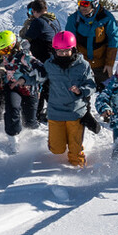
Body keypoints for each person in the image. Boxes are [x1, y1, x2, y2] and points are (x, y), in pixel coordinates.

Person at [44, 30, 96, 167]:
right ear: (54, 51)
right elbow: (37, 77)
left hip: (76, 112)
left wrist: (81, 91)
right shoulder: (49, 65)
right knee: (57, 149)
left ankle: (77, 171)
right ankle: (54, 142)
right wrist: (23, 79)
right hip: (55, 112)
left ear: (73, 49)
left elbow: (91, 84)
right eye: (59, 51)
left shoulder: (83, 65)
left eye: (66, 51)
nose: (62, 54)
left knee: (75, 149)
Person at [0, 30, 46, 153]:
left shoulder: (24, 57)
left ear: (13, 45)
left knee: (29, 122)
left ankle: (34, 139)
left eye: (5, 50)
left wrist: (25, 80)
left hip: (29, 90)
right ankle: (13, 138)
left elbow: (42, 71)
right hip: (12, 88)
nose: (3, 54)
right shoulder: (4, 57)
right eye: (0, 51)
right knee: (12, 109)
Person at [65, 0, 118, 87]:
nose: (82, 7)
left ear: (94, 3)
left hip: (102, 66)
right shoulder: (74, 19)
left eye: (85, 4)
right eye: (80, 3)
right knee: (80, 95)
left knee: (107, 95)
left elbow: (113, 40)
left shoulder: (107, 18)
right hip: (81, 65)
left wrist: (109, 63)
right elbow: (69, 42)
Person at [20, 0, 59, 120]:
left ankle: (37, 112)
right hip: (53, 56)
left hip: (41, 56)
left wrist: (29, 22)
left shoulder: (38, 22)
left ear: (35, 11)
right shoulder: (54, 19)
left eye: (31, 11)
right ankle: (54, 111)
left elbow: (26, 37)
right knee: (49, 85)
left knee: (39, 84)